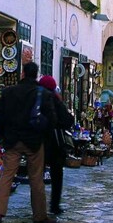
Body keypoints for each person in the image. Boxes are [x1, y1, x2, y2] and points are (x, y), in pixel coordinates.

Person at [0, 62, 57, 223]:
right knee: (36, 179)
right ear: (36, 75)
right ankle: (40, 216)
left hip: (13, 140)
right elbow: (51, 120)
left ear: (22, 73)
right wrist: (44, 137)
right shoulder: (42, 94)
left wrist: (3, 136)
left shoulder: (9, 92)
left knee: (6, 177)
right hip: (34, 141)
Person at [38, 75, 75, 215]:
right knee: (57, 176)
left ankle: (37, 206)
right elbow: (68, 120)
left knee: (37, 176)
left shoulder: (36, 98)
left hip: (38, 141)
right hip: (55, 142)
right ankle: (54, 205)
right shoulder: (55, 100)